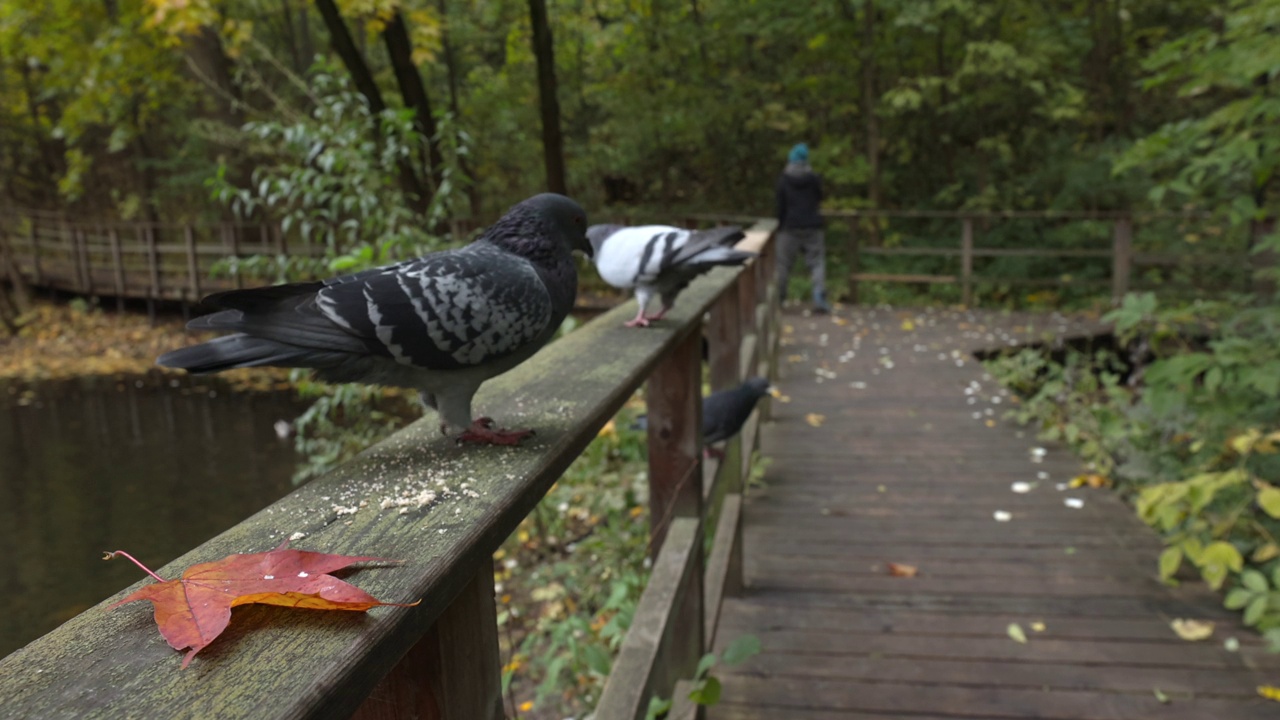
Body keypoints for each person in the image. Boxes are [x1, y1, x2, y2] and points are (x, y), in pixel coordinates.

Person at [775, 143, 830, 313]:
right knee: (817, 262)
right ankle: (819, 295)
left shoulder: (784, 180)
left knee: (783, 264)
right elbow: (820, 197)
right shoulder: (813, 179)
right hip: (812, 225)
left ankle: (779, 298)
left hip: (789, 227)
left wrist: (780, 224)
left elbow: (780, 205)